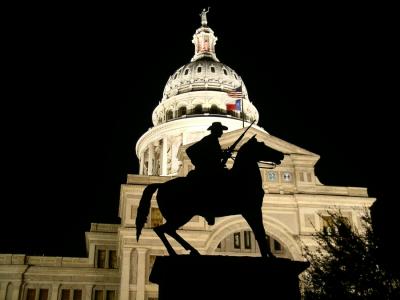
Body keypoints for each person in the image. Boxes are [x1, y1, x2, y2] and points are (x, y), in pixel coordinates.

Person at [186, 122, 230, 225]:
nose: (222, 132)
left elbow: (216, 155)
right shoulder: (208, 139)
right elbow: (190, 150)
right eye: (220, 130)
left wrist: (224, 155)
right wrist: (200, 163)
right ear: (215, 130)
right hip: (207, 169)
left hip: (215, 168)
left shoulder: (214, 140)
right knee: (212, 185)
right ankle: (208, 210)